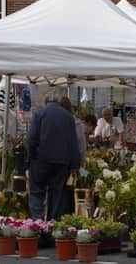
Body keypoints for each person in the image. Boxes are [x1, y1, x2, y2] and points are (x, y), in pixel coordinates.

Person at [28, 92, 80, 221]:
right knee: (56, 195)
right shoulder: (68, 117)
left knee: (37, 193)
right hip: (61, 163)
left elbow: (31, 139)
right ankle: (52, 226)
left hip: (40, 161)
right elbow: (73, 142)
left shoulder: (39, 114)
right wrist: (74, 165)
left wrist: (31, 157)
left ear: (46, 101)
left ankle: (37, 223)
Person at [60, 97, 86, 162]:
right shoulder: (78, 124)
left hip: (59, 161)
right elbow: (82, 147)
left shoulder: (56, 122)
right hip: (73, 161)